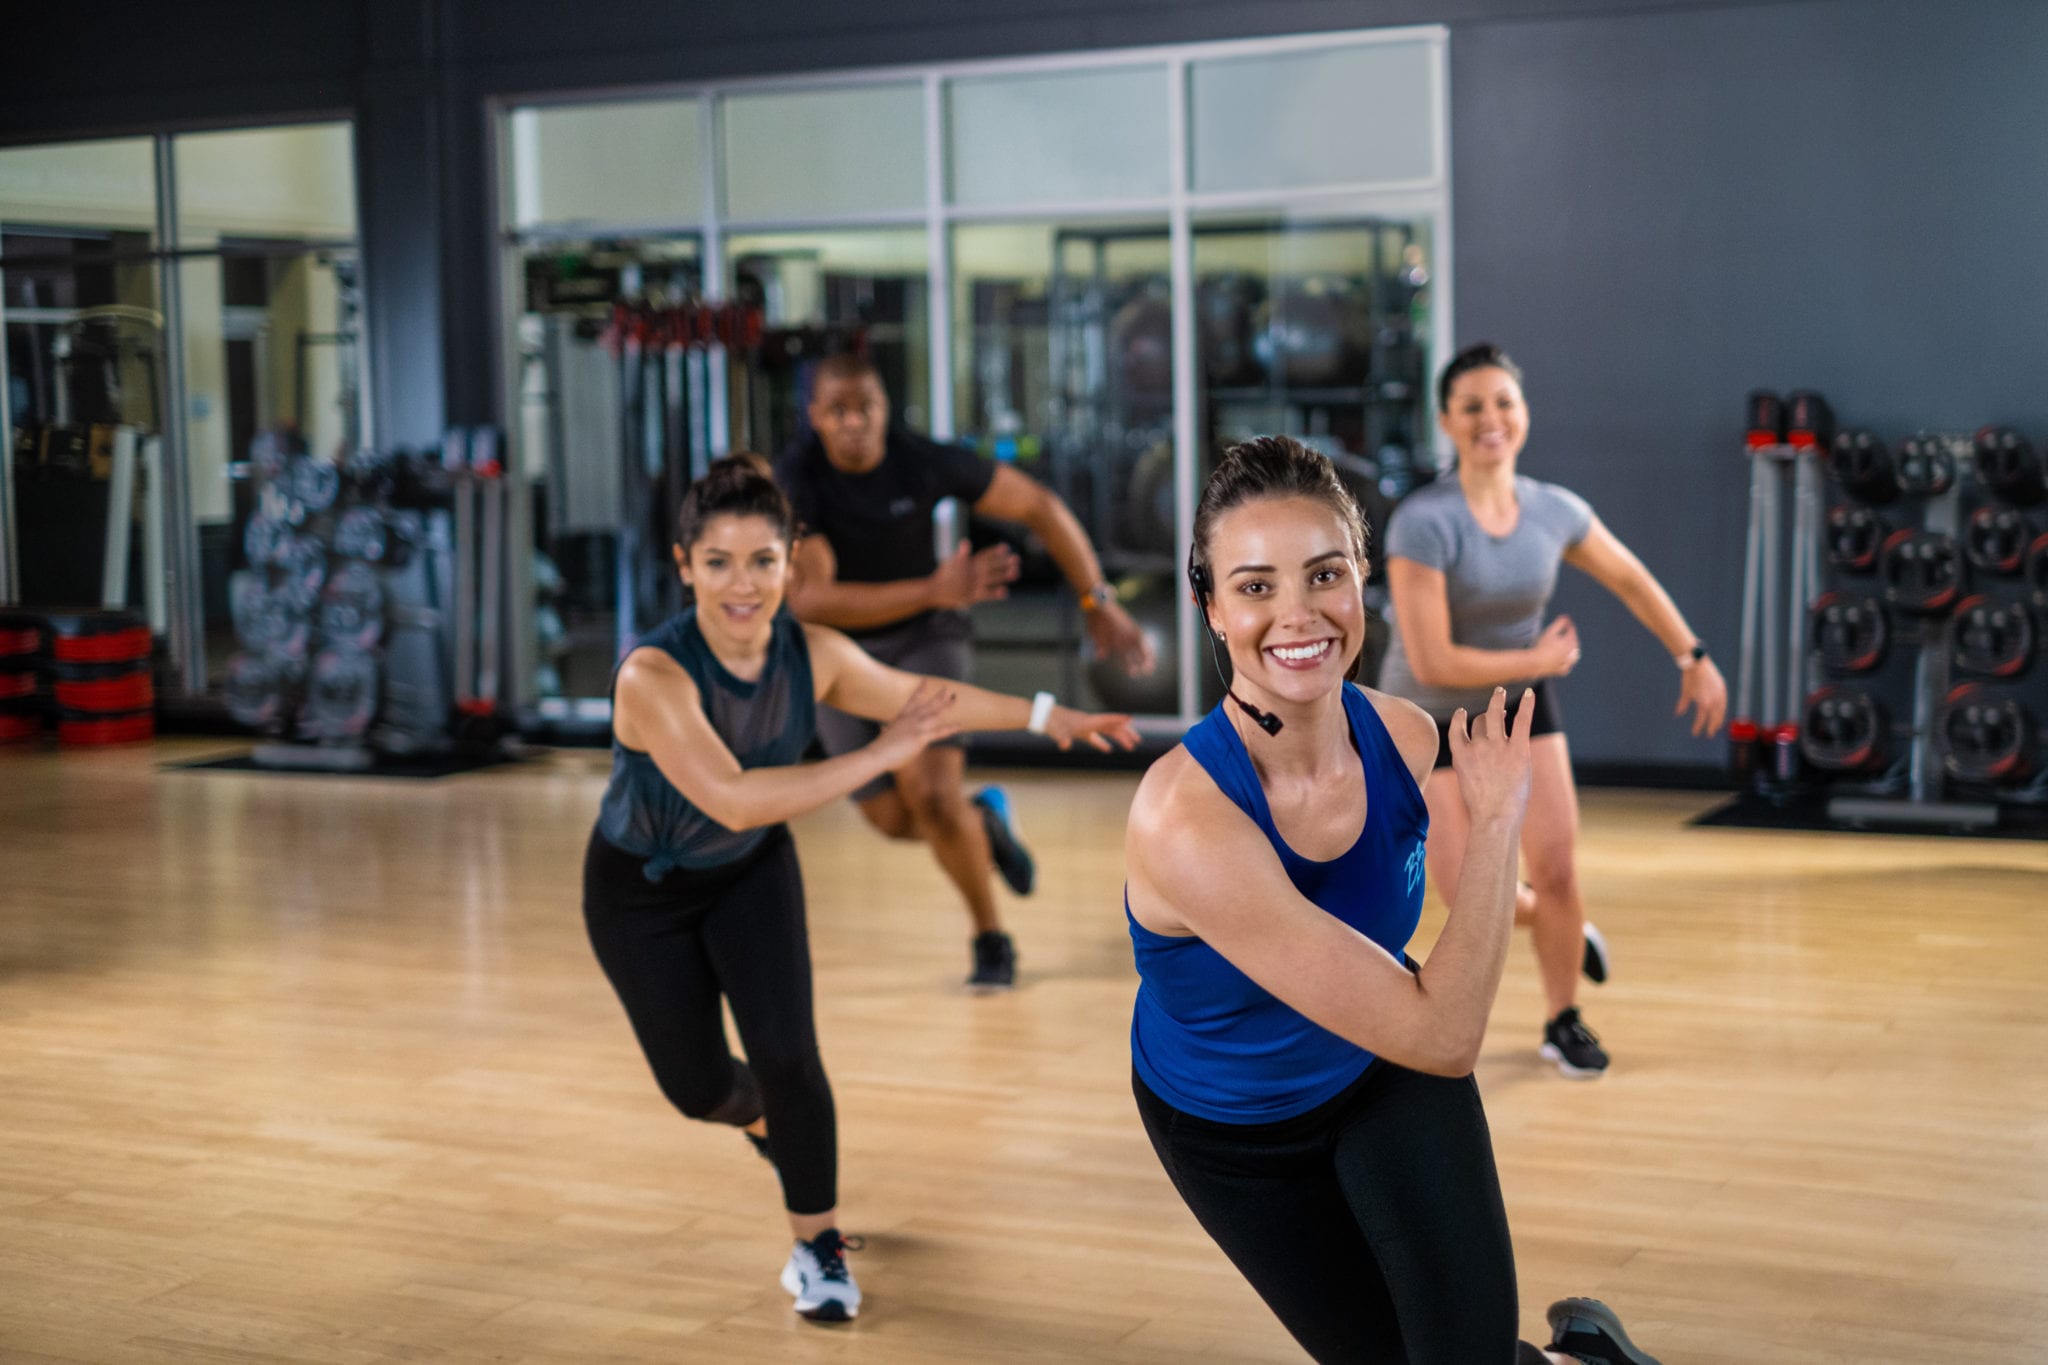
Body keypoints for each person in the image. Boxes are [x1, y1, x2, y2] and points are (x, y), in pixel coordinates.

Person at [1123, 435, 1661, 1365]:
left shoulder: (1405, 739)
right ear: (1209, 606)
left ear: (1361, 576)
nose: (1297, 614)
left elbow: (1433, 1030)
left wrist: (1494, 826)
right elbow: (1449, 1027)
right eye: (1254, 586)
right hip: (1235, 1133)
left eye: (1323, 573)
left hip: (1386, 1071)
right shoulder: (1185, 819)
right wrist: (1496, 824)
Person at [584, 453, 1138, 1323]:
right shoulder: (653, 675)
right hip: (640, 892)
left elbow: (926, 697)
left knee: (790, 1056)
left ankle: (818, 1243)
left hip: (749, 870)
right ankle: (774, 1131)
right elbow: (730, 792)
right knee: (699, 1087)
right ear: (685, 563)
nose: (743, 583)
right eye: (719, 561)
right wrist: (880, 753)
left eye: (763, 560)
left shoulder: (815, 652)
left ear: (791, 560)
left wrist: (1047, 715)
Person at [1378, 343, 1728, 1078]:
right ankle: (1566, 930)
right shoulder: (1423, 521)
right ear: (1446, 420)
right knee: (1467, 888)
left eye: (1503, 401)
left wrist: (1691, 656)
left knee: (1559, 869)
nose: (1490, 419)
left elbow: (1631, 579)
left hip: (1521, 703)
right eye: (1471, 406)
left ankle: (1563, 1017)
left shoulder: (1553, 509)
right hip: (1431, 715)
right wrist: (1535, 661)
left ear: (1524, 413)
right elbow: (1434, 659)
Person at [779, 352, 1157, 989]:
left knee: (929, 795)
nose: (854, 422)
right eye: (837, 410)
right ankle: (984, 821)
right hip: (840, 660)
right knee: (894, 819)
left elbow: (1038, 505)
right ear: (815, 416)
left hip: (927, 639)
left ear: (884, 407)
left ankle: (991, 938)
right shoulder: (798, 480)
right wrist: (932, 588)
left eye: (865, 406)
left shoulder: (920, 459)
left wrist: (1098, 598)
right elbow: (811, 599)